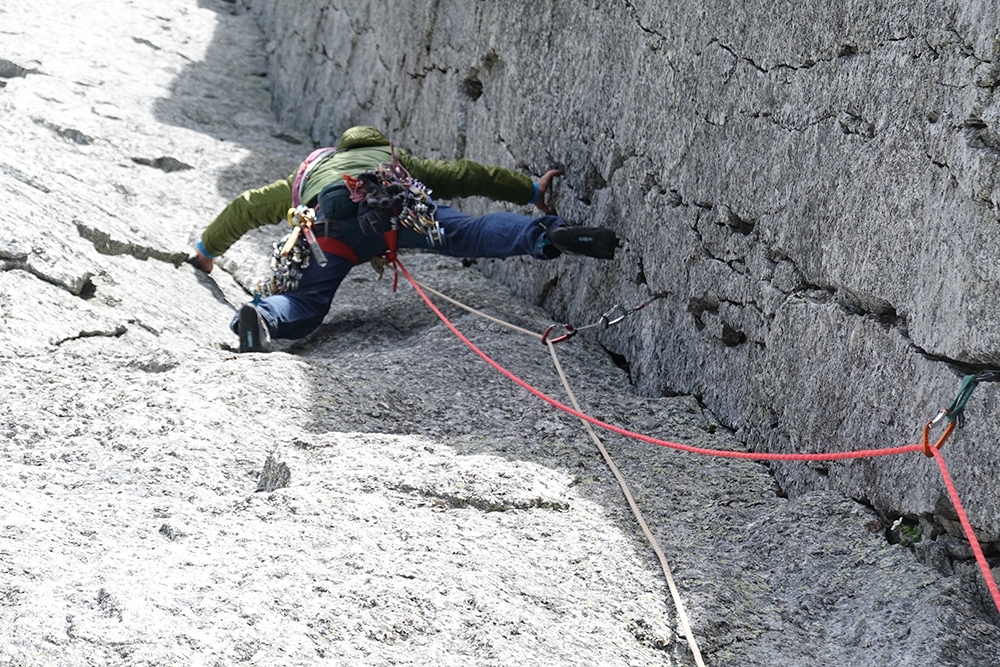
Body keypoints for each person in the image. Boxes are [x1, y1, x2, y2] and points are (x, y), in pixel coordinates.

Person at [191, 126, 619, 352]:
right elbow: (465, 175)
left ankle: (262, 321)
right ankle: (549, 234)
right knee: (471, 233)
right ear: (382, 147)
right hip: (400, 210)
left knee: (305, 301)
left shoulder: (309, 176)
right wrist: (529, 190)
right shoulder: (394, 161)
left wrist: (207, 251)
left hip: (327, 230)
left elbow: (244, 206)